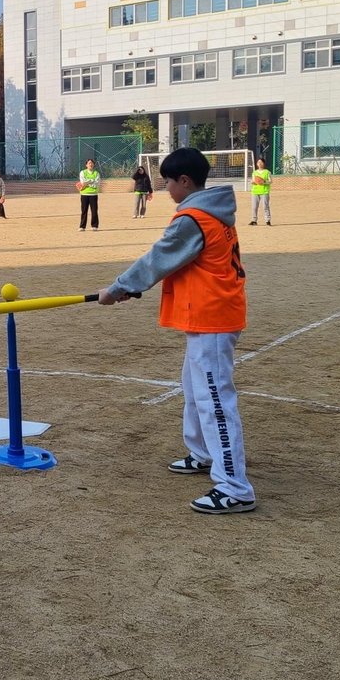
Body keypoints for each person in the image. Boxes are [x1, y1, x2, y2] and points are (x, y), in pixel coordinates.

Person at [96, 147, 256, 515]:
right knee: (194, 387)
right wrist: (131, 288)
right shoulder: (211, 212)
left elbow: (159, 257)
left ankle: (235, 486)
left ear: (185, 181)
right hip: (206, 317)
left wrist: (118, 287)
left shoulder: (195, 218)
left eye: (168, 182)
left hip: (213, 318)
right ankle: (202, 454)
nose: (167, 189)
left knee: (215, 400)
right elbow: (177, 262)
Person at [77, 159, 100, 231]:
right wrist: (91, 181)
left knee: (94, 211)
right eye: (89, 163)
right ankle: (82, 226)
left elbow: (97, 184)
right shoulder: (82, 172)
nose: (91, 164)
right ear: (86, 165)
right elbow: (83, 182)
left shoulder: (96, 173)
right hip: (84, 194)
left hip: (93, 194)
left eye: (92, 163)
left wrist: (88, 183)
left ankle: (94, 225)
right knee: (84, 211)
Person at [249, 157, 272, 226]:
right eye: (258, 162)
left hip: (264, 191)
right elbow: (253, 181)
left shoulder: (267, 172)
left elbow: (270, 181)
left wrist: (264, 181)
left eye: (261, 162)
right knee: (254, 207)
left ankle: (268, 220)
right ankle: (254, 220)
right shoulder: (255, 172)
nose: (259, 163)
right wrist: (252, 182)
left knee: (265, 206)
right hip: (255, 191)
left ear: (264, 163)